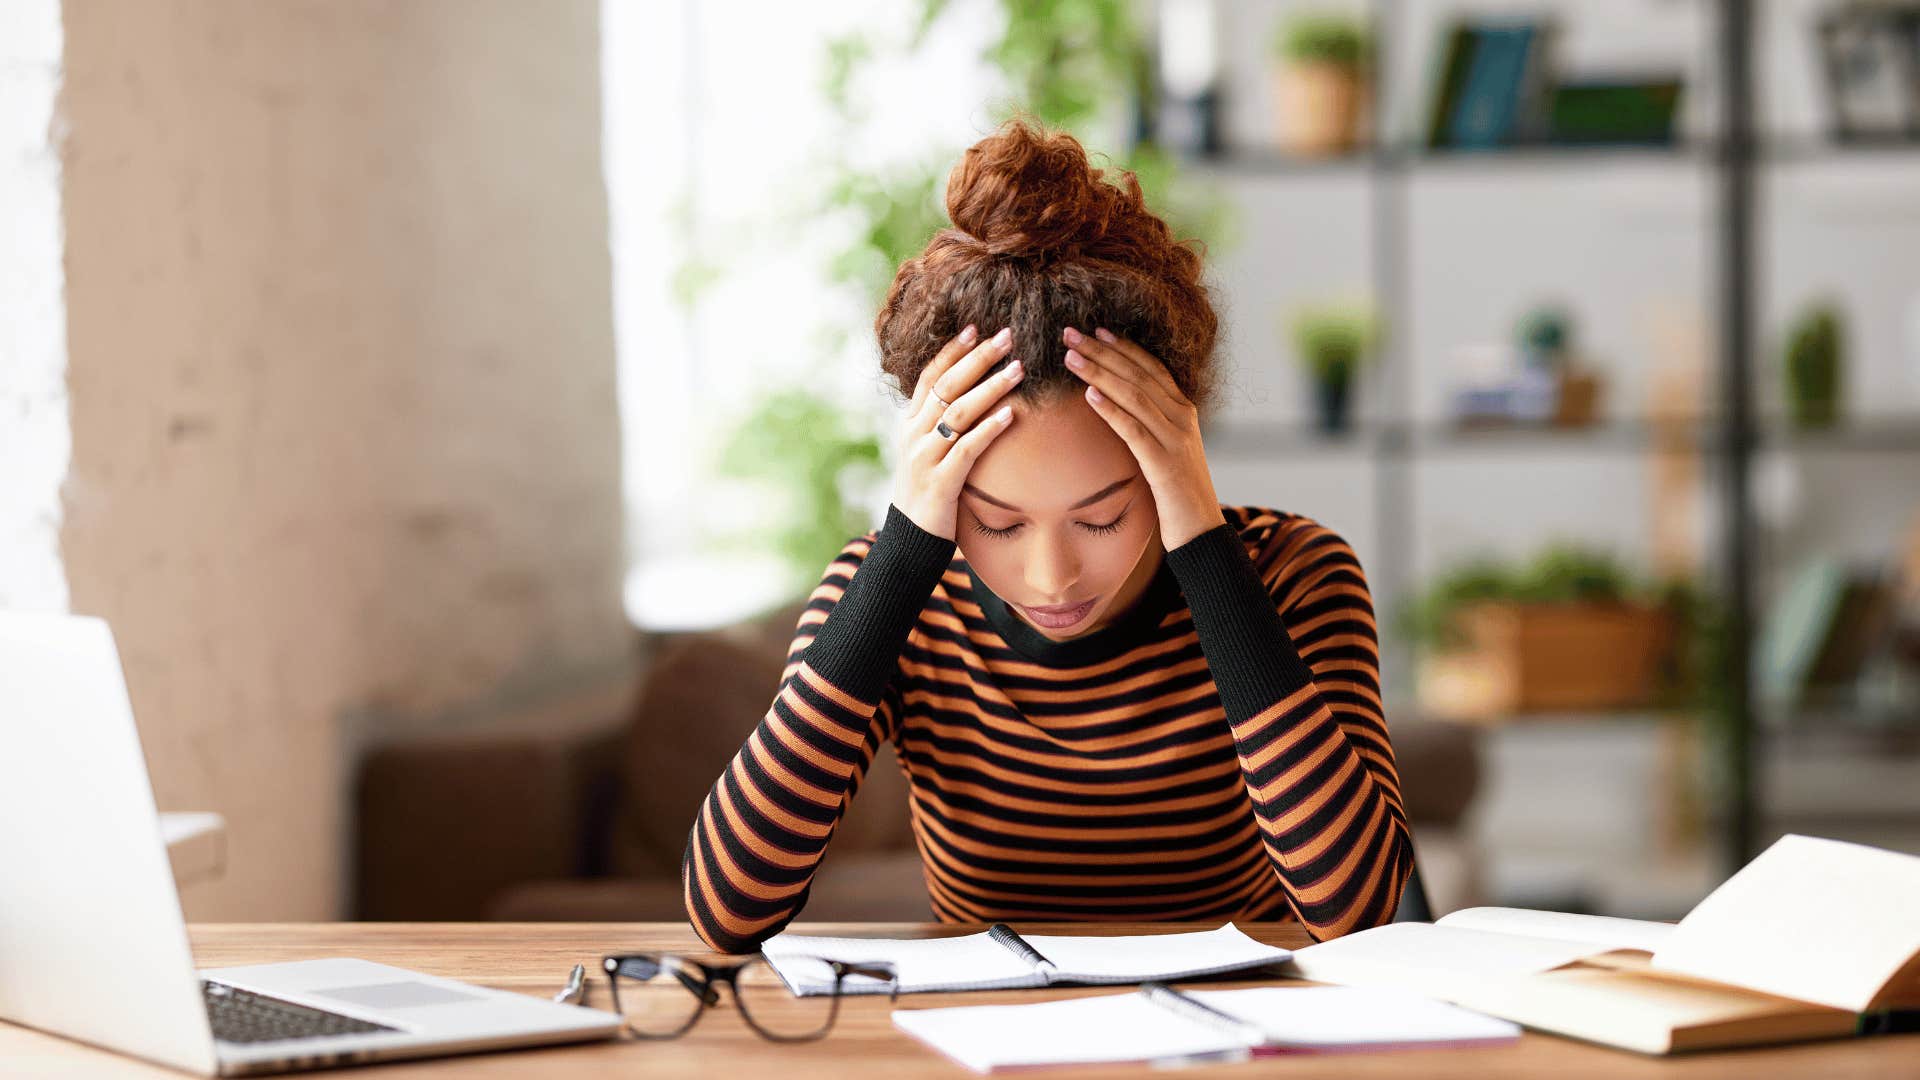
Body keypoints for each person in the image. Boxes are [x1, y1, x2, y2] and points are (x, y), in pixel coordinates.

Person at [683, 115, 1412, 954]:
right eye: (997, 522)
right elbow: (728, 909)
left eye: (1102, 515)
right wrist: (902, 553)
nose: (1052, 577)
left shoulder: (1294, 575)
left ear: (1175, 456)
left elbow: (1357, 915)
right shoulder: (889, 594)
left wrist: (1202, 546)